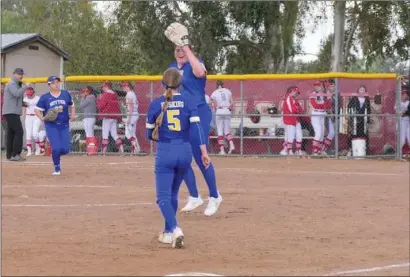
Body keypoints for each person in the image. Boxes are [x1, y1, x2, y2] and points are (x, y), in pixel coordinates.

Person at [146, 68, 210, 248]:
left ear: (162, 83)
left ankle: (175, 229)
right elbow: (197, 131)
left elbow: (149, 134)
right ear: (180, 84)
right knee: (173, 193)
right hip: (185, 151)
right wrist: (204, 152)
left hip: (166, 151)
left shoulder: (156, 104)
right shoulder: (189, 102)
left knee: (163, 197)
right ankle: (167, 233)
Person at [167, 41, 222, 216]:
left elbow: (200, 72)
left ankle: (214, 196)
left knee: (200, 155)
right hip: (181, 113)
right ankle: (194, 196)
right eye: (177, 50)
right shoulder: (172, 67)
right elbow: (169, 90)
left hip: (199, 111)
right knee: (179, 157)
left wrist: (187, 48)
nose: (180, 52)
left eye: (182, 50)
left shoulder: (196, 63)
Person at [35, 76, 76, 175]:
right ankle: (57, 167)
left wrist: (73, 115)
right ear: (49, 84)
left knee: (65, 149)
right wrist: (42, 118)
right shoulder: (45, 97)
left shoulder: (65, 94)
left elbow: (72, 105)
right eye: (53, 83)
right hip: (51, 126)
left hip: (64, 125)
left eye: (57, 82)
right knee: (56, 148)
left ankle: (56, 155)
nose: (56, 84)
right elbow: (37, 109)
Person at [2, 68, 31, 161]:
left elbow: (15, 98)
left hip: (11, 111)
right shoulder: (12, 84)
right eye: (19, 74)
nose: (21, 76)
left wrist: (23, 103)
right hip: (11, 112)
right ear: (14, 74)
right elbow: (16, 94)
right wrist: (25, 87)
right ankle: (15, 154)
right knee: (19, 131)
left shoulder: (16, 84)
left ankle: (10, 155)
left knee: (11, 133)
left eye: (22, 74)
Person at [97, 82, 124, 155]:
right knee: (114, 134)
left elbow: (101, 106)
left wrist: (98, 100)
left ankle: (103, 152)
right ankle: (121, 149)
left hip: (107, 116)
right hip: (114, 116)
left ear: (106, 87)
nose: (102, 89)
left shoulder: (106, 94)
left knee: (105, 133)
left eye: (103, 87)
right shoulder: (114, 94)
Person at [210, 80, 235, 155]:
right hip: (227, 110)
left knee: (220, 131)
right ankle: (231, 144)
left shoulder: (214, 93)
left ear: (217, 85)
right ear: (222, 85)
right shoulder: (227, 91)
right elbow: (232, 103)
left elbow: (213, 105)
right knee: (227, 131)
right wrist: (228, 107)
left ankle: (222, 150)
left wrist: (216, 108)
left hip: (219, 111)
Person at [346, 85, 371, 156]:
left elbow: (369, 110)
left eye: (363, 90)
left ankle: (364, 150)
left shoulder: (367, 99)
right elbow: (349, 107)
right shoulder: (354, 98)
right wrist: (352, 115)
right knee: (353, 134)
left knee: (364, 134)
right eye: (361, 90)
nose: (362, 91)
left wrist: (368, 120)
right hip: (355, 119)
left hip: (364, 119)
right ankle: (351, 149)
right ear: (358, 91)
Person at [309, 80, 332, 155]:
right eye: (316, 85)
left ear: (322, 86)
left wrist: (328, 99)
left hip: (322, 115)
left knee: (322, 134)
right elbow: (315, 105)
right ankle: (314, 151)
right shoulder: (313, 93)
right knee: (318, 133)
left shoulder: (325, 94)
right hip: (315, 114)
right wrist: (323, 106)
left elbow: (328, 106)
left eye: (318, 85)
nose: (316, 87)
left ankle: (318, 150)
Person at [282, 86, 304, 155]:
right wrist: (297, 109)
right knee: (290, 136)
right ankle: (290, 150)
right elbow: (292, 110)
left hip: (296, 120)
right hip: (289, 120)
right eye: (295, 92)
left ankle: (298, 150)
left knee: (299, 135)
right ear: (291, 91)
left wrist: (297, 109)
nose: (296, 94)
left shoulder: (295, 100)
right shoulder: (288, 98)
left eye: (297, 93)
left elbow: (301, 110)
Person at [121, 81, 141, 154]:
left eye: (124, 86)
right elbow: (132, 106)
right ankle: (135, 150)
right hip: (134, 114)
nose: (123, 88)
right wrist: (124, 106)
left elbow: (131, 107)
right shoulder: (132, 93)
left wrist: (129, 119)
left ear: (128, 87)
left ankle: (136, 147)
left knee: (128, 134)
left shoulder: (129, 94)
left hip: (132, 115)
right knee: (132, 133)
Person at [23, 87, 42, 156]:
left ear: (33, 92)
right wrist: (23, 117)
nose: (29, 96)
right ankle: (29, 151)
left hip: (36, 116)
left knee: (35, 133)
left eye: (30, 94)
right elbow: (24, 109)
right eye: (28, 94)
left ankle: (38, 148)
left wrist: (41, 117)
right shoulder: (25, 98)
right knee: (28, 134)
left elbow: (41, 109)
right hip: (28, 117)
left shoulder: (38, 98)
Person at [395, 89, 409, 156]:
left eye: (406, 94)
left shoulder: (408, 102)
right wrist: (402, 112)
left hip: (408, 121)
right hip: (402, 122)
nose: (405, 95)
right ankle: (398, 155)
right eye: (403, 94)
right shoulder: (398, 102)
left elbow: (407, 112)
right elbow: (397, 112)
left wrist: (405, 112)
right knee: (402, 139)